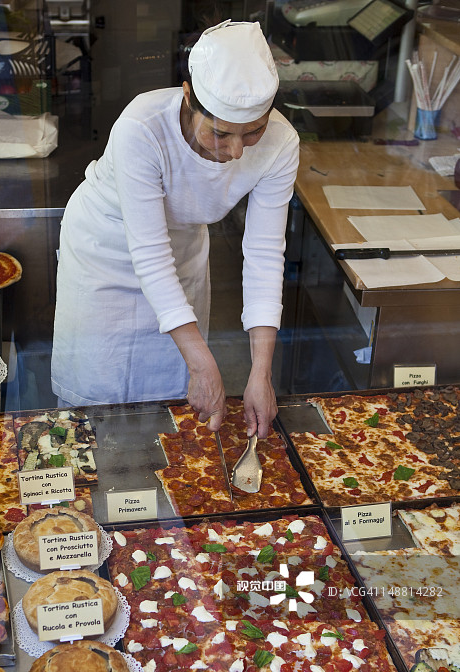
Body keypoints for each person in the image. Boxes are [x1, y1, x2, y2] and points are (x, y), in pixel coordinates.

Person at [51, 20, 299, 438]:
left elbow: (263, 257)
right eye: (221, 133)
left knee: (170, 403)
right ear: (188, 97)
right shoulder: (142, 127)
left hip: (180, 252)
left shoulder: (282, 143)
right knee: (95, 395)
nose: (237, 151)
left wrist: (261, 371)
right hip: (105, 250)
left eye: (253, 131)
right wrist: (203, 361)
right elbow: (148, 252)